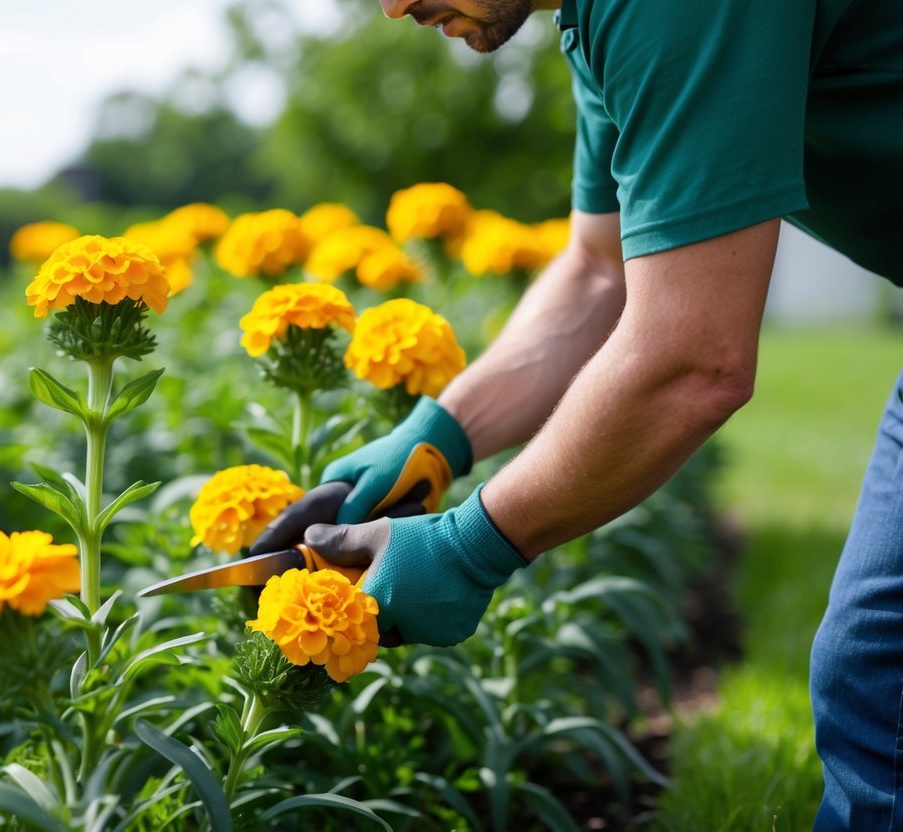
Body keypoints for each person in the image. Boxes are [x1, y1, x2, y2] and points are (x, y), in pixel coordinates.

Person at [248, 1, 903, 828]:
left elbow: (691, 360)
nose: (391, 5)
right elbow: (600, 270)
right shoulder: (601, 18)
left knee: (885, 681)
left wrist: (468, 547)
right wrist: (435, 439)